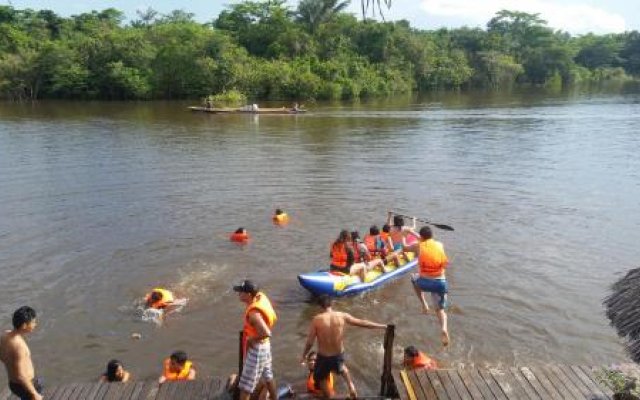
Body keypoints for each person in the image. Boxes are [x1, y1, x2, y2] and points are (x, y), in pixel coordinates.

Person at [300, 295, 387, 399]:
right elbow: (362, 323)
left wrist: (304, 355)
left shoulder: (317, 320)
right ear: (331, 304)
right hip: (338, 354)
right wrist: (382, 326)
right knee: (341, 367)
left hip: (324, 357)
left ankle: (329, 396)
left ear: (320, 306)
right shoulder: (342, 316)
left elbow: (310, 342)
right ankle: (351, 385)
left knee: (318, 377)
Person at [403, 226, 450, 346]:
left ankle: (424, 304)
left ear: (421, 237)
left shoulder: (417, 246)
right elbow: (425, 240)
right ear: (432, 236)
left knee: (414, 278)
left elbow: (404, 248)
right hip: (440, 283)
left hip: (424, 282)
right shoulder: (440, 244)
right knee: (440, 310)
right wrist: (412, 232)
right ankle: (444, 328)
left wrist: (404, 235)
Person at [234, 280, 278, 400]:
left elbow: (266, 333)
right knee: (268, 376)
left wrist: (250, 340)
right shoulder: (259, 297)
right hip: (265, 346)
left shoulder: (254, 313)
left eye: (241, 292)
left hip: (257, 349)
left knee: (246, 386)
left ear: (248, 295)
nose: (238, 294)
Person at [0, 306, 43, 400]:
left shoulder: (5, 335)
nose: (35, 324)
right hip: (25, 386)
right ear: (24, 325)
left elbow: (2, 356)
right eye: (33, 322)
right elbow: (21, 376)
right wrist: (34, 394)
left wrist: (11, 363)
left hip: (13, 383)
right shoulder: (19, 347)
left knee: (39, 382)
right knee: (37, 387)